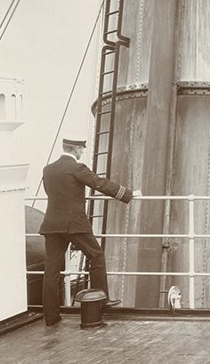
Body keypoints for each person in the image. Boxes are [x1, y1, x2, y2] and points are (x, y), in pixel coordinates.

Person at [39, 138, 141, 327]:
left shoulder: (48, 169)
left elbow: (49, 192)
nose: (82, 152)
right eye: (81, 149)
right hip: (74, 224)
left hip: (52, 225)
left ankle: (51, 317)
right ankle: (101, 301)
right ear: (76, 149)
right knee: (96, 255)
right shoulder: (77, 168)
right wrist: (127, 194)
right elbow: (99, 183)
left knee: (51, 270)